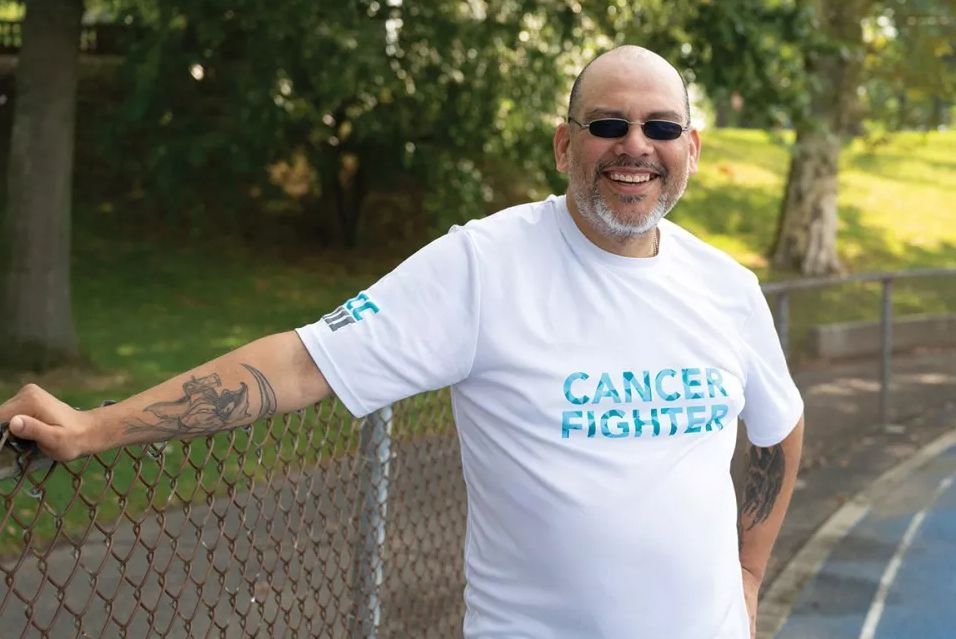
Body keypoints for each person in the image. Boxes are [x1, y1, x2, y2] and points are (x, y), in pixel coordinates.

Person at [1, 45, 803, 638]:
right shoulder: (483, 267)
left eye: (661, 125)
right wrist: (95, 425)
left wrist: (750, 571)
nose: (636, 145)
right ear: (566, 145)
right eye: (608, 124)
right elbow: (301, 361)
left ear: (690, 149)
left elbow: (778, 427)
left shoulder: (726, 288)